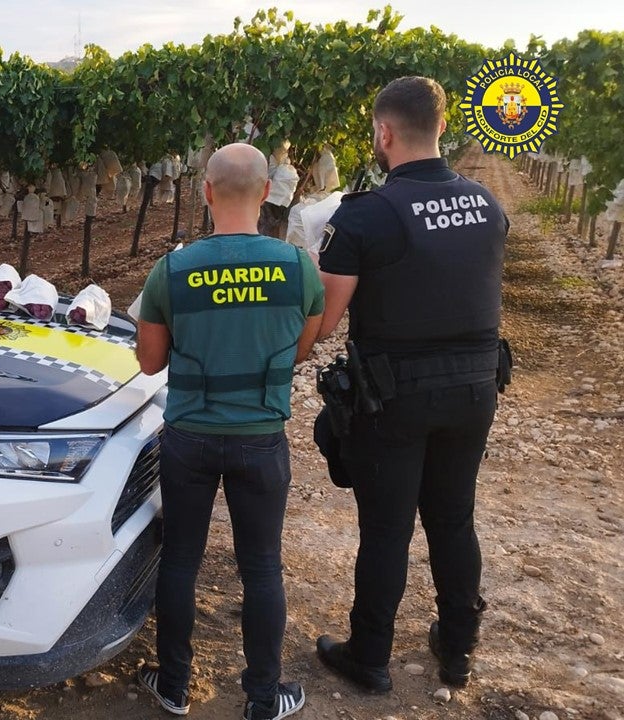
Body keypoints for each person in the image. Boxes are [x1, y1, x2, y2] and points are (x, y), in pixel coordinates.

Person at [313, 76, 508, 693]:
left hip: (392, 398)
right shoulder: (487, 204)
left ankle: (369, 656)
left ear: (384, 133)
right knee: (454, 520)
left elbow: (323, 324)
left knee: (388, 530)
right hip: (476, 392)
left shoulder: (365, 217)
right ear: (443, 128)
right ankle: (458, 650)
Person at [134, 142, 324, 720]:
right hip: (260, 440)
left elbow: (148, 362)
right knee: (262, 565)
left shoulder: (172, 270)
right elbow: (302, 348)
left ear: (206, 192)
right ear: (267, 192)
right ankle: (263, 699)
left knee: (182, 559)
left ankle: (172, 686)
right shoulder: (298, 268)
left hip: (188, 439)